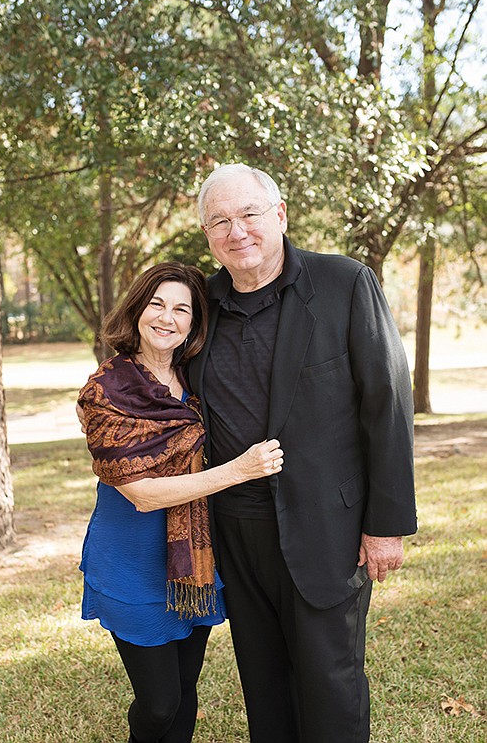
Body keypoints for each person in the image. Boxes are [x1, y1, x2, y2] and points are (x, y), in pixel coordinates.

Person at [189, 163, 418, 743]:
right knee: (264, 686)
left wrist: (385, 526)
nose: (236, 231)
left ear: (280, 216)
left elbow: (387, 402)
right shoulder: (200, 306)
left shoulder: (343, 283)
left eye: (249, 215)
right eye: (220, 221)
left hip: (328, 527)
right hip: (236, 531)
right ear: (208, 235)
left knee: (330, 684)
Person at [77, 261, 283, 743]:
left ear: (194, 322)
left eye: (182, 309)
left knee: (185, 690)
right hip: (131, 561)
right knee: (158, 703)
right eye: (157, 304)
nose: (167, 318)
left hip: (194, 557)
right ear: (137, 310)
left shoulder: (198, 381)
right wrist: (238, 471)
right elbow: (142, 495)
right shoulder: (105, 391)